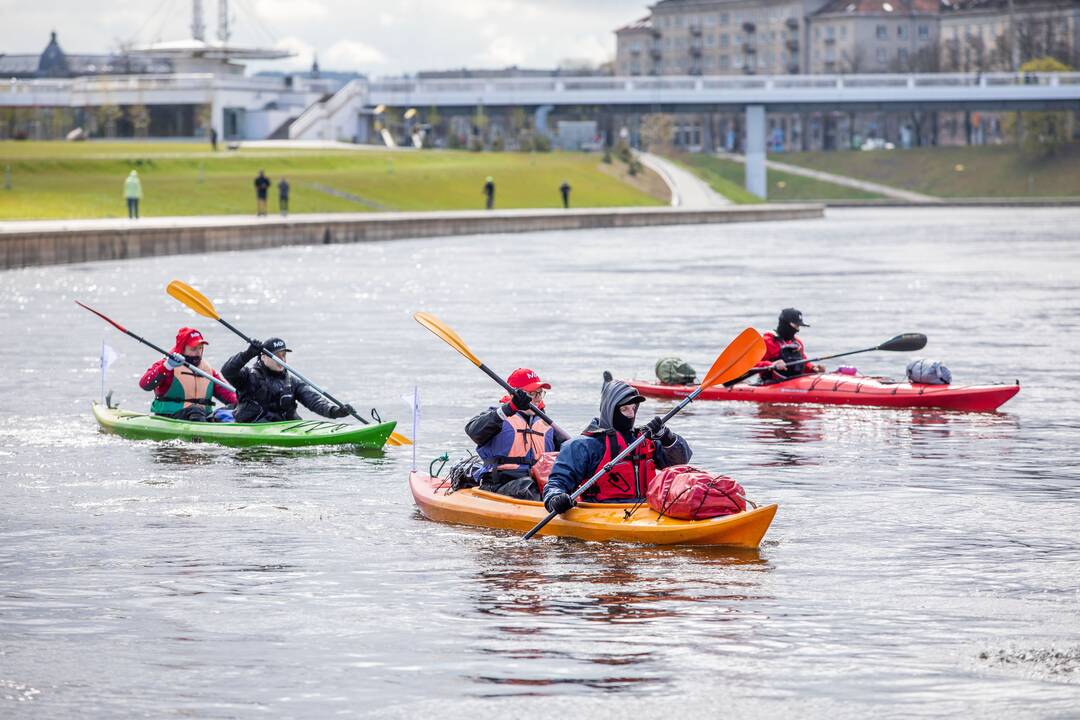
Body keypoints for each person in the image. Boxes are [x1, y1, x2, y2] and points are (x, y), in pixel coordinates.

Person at [542, 379, 691, 515]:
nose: (631, 414)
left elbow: (681, 461)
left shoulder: (643, 440)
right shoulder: (583, 445)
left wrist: (666, 436)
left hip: (645, 510)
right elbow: (556, 484)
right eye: (625, 409)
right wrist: (555, 499)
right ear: (610, 409)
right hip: (603, 510)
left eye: (634, 408)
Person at [465, 368, 564, 501]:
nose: (538, 398)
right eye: (532, 393)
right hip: (500, 484)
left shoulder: (547, 424)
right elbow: (473, 431)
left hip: (539, 484)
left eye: (540, 393)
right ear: (515, 394)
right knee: (527, 488)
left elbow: (567, 454)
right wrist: (510, 408)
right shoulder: (498, 416)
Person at [221, 337, 355, 423]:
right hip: (254, 426)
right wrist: (247, 354)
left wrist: (335, 411)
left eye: (284, 355)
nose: (282, 360)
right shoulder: (248, 377)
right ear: (263, 357)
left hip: (287, 426)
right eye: (277, 356)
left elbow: (314, 401)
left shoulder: (292, 381)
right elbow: (227, 371)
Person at [139, 327, 237, 421]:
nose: (198, 353)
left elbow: (228, 395)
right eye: (193, 349)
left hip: (202, 417)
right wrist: (167, 366)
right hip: (171, 416)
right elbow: (145, 384)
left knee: (236, 408)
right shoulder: (167, 365)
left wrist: (244, 402)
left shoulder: (208, 370)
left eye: (200, 348)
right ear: (182, 349)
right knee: (195, 410)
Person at [752, 308, 825, 382]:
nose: (798, 329)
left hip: (793, 384)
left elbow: (803, 363)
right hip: (769, 384)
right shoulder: (766, 341)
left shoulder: (798, 343)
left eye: (799, 326)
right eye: (796, 325)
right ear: (785, 323)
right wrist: (771, 364)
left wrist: (813, 368)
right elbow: (752, 364)